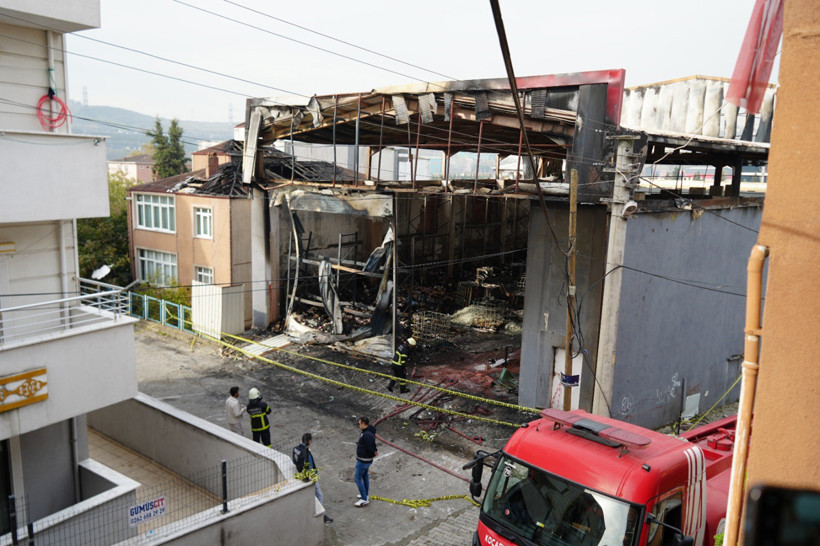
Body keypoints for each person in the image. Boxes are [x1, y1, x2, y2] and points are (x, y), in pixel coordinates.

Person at [292, 433, 332, 523]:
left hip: (300, 474)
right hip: (308, 476)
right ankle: (322, 515)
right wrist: (314, 477)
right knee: (319, 494)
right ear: (309, 441)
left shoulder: (295, 449)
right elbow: (310, 467)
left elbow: (294, 461)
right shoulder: (306, 453)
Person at [354, 416, 378, 507]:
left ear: (363, 424)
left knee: (357, 478)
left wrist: (373, 452)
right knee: (364, 476)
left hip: (363, 460)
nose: (358, 425)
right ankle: (365, 494)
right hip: (367, 460)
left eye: (359, 423)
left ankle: (364, 499)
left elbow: (369, 447)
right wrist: (374, 451)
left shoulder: (366, 435)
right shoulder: (369, 432)